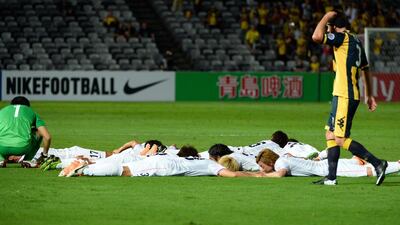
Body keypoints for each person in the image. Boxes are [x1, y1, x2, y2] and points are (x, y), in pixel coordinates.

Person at [312, 11, 387, 186]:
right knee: (330, 133)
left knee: (339, 138)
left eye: (330, 27)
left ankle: (378, 163)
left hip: (345, 95)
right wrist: (369, 94)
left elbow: (316, 36)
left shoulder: (342, 37)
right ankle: (331, 177)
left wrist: (324, 17)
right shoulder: (356, 41)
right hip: (344, 94)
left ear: (334, 27)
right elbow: (366, 68)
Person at [59, 153, 264, 178]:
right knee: (126, 172)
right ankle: (85, 169)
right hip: (165, 168)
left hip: (163, 160)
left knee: (128, 166)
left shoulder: (205, 159)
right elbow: (234, 176)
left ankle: (85, 166)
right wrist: (259, 176)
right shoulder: (212, 168)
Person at [256, 149, 400, 178]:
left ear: (269, 161)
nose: (262, 169)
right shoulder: (285, 157)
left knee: (367, 172)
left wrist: (261, 176)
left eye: (262, 166)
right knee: (362, 166)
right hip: (327, 164)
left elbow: (280, 174)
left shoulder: (281, 162)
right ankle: (397, 163)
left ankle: (398, 166)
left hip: (329, 169)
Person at [0, 96, 51, 168]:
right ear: (27, 107)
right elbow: (47, 137)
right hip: (22, 148)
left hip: (1, 147)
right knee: (39, 132)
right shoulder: (32, 112)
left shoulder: (2, 111)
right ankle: (28, 159)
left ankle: (1, 159)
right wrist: (44, 155)